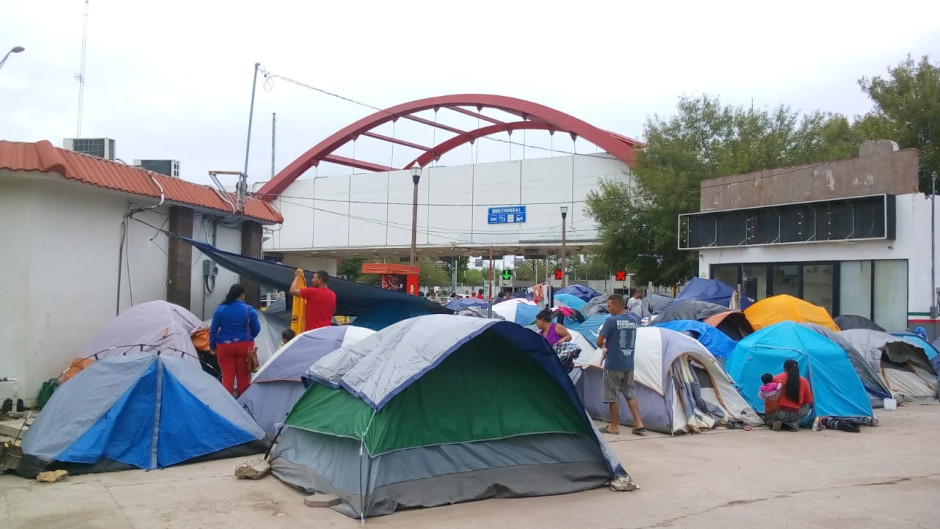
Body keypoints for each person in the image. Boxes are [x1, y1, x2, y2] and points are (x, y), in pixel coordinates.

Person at [597, 294, 645, 435]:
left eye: (610, 306)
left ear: (617, 306)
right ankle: (638, 423)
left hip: (613, 363)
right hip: (628, 362)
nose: (608, 308)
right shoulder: (633, 320)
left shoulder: (611, 321)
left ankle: (613, 426)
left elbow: (599, 341)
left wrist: (604, 347)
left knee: (613, 395)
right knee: (630, 393)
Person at [210, 284, 261, 397]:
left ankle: (227, 404)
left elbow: (213, 330)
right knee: (243, 376)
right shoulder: (249, 309)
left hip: (224, 346)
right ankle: (243, 404)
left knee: (227, 376)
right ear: (242, 295)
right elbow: (257, 329)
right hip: (245, 345)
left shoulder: (220, 309)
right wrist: (249, 337)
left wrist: (212, 346)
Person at [766, 359, 814, 431]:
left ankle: (773, 422)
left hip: (778, 414)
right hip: (795, 414)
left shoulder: (776, 378)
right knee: (807, 405)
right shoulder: (804, 381)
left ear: (784, 368)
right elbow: (809, 400)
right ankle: (792, 424)